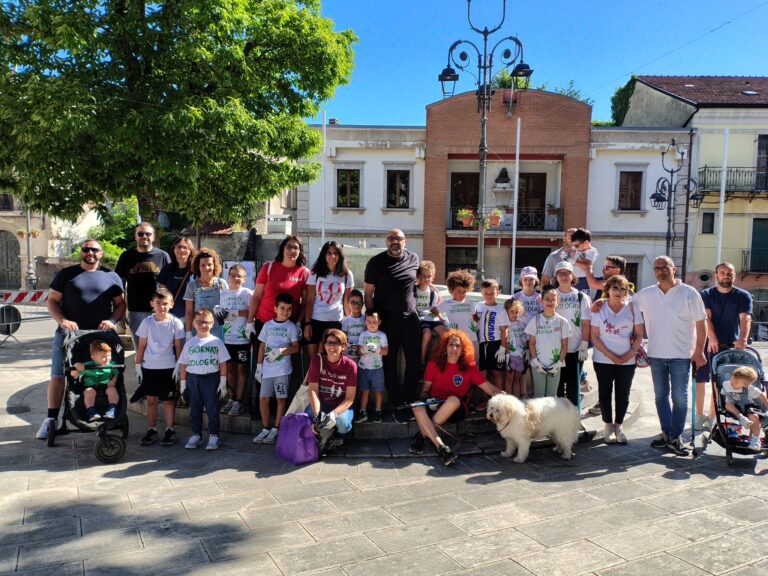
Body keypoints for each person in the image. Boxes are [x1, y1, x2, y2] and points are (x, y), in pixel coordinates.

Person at [38, 239, 125, 440]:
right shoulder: (66, 274)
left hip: (100, 337)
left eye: (94, 250)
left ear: (101, 253)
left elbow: (121, 304)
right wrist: (63, 321)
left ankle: (106, 411)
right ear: (82, 252)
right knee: (59, 375)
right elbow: (52, 300)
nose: (90, 252)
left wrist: (112, 321)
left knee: (103, 373)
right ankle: (51, 419)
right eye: (86, 249)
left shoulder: (111, 276)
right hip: (69, 335)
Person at [632, 256, 707, 456]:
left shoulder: (689, 293)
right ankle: (667, 433)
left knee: (680, 398)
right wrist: (599, 303)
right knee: (660, 397)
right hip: (655, 354)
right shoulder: (645, 294)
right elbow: (623, 302)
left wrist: (699, 351)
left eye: (665, 267)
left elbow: (701, 324)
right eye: (657, 268)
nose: (661, 271)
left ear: (674, 269)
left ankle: (676, 435)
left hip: (682, 355)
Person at [409, 330, 502, 467]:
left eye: (458, 346)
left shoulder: (469, 367)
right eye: (451, 345)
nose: (454, 348)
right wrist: (426, 399)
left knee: (452, 400)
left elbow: (490, 389)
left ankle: (422, 435)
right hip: (435, 404)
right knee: (417, 405)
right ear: (445, 347)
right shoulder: (433, 364)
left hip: (457, 407)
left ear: (463, 349)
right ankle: (442, 448)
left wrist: (505, 396)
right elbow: (425, 391)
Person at [364, 229, 420, 418]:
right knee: (389, 363)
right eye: (391, 239)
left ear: (406, 241)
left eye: (398, 239)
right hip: (387, 321)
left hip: (411, 319)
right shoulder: (375, 262)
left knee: (414, 362)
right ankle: (397, 403)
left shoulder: (414, 258)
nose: (394, 242)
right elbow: (368, 293)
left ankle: (409, 400)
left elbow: (419, 284)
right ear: (386, 241)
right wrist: (372, 319)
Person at [695, 262, 753, 430]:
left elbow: (745, 319)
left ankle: (713, 416)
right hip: (705, 344)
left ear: (734, 276)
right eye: (722, 272)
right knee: (701, 380)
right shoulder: (706, 294)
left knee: (720, 382)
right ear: (716, 275)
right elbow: (706, 317)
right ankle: (699, 415)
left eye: (729, 273)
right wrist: (712, 338)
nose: (726, 275)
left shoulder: (743, 296)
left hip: (729, 346)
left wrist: (742, 339)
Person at [590, 275, 644, 445]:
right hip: (603, 359)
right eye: (615, 288)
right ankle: (607, 426)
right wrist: (611, 355)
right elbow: (595, 336)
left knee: (623, 393)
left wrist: (631, 353)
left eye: (623, 289)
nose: (619, 292)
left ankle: (619, 426)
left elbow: (640, 333)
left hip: (627, 359)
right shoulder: (599, 308)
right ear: (608, 290)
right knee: (605, 393)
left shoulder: (632, 307)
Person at [135, 288, 184, 446]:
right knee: (151, 400)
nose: (161, 307)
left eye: (165, 304)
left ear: (171, 304)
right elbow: (141, 346)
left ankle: (170, 429)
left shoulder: (176, 322)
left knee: (169, 400)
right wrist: (138, 365)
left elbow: (178, 346)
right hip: (149, 367)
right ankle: (152, 429)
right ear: (152, 304)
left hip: (168, 367)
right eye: (158, 303)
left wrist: (178, 365)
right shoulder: (147, 322)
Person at [252, 293, 301, 445]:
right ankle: (266, 428)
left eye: (289, 309)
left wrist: (280, 351)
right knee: (263, 399)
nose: (285, 312)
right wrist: (259, 367)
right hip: (267, 370)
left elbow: (296, 348)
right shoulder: (267, 325)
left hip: (283, 370)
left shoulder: (291, 327)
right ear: (275, 308)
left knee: (281, 399)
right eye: (282, 308)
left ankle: (276, 428)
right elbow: (261, 345)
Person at [178, 308, 230, 450]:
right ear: (194, 324)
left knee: (212, 408)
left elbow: (223, 363)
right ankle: (196, 434)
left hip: (211, 379)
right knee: (195, 408)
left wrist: (223, 383)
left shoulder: (217, 342)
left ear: (212, 323)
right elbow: (184, 365)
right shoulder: (189, 343)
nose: (203, 325)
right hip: (193, 379)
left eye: (206, 322)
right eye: (199, 322)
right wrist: (183, 385)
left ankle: (214, 435)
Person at [115, 223, 171, 349]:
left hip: (158, 310)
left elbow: (169, 284)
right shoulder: (126, 256)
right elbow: (119, 285)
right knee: (140, 349)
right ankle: (141, 369)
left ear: (153, 236)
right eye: (140, 234)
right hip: (136, 311)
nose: (144, 236)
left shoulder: (163, 256)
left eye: (148, 234)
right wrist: (122, 310)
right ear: (135, 237)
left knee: (160, 348)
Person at [247, 235, 310, 344]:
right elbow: (256, 296)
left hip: (289, 327)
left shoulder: (304, 273)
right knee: (261, 359)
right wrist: (250, 322)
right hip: (264, 324)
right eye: (288, 247)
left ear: (300, 251)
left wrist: (299, 323)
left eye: (296, 248)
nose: (292, 251)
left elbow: (305, 303)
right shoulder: (268, 267)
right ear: (283, 249)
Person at [307, 329, 358, 455]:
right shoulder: (317, 360)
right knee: (308, 416)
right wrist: (319, 416)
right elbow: (313, 390)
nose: (332, 347)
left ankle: (336, 436)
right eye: (329, 343)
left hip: (341, 405)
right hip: (322, 402)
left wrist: (333, 415)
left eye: (336, 343)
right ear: (324, 345)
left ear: (343, 346)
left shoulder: (351, 365)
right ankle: (323, 436)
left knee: (343, 424)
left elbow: (350, 398)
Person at [303, 240, 353, 358]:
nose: (332, 256)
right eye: (329, 253)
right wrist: (307, 324)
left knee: (331, 360)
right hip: (315, 321)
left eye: (335, 253)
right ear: (324, 255)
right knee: (314, 361)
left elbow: (347, 301)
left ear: (340, 255)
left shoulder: (347, 275)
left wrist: (351, 323)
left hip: (335, 321)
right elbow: (309, 300)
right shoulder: (315, 274)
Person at [553, 261, 592, 407]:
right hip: (555, 349)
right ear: (556, 276)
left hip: (575, 349)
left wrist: (584, 344)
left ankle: (574, 420)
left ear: (572, 276)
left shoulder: (581, 297)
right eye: (560, 273)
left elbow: (586, 323)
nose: (564, 276)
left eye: (567, 273)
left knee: (573, 388)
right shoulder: (551, 295)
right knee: (556, 388)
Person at [219, 264, 253, 417]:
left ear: (244, 279)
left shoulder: (247, 293)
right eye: (232, 275)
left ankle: (239, 400)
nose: (235, 278)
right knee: (230, 368)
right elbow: (221, 316)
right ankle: (231, 398)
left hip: (242, 340)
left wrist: (232, 313)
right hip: (227, 338)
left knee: (242, 369)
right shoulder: (223, 294)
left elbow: (250, 312)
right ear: (228, 277)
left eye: (239, 275)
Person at [525, 287, 570, 398]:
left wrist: (559, 363)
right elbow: (531, 343)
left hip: (555, 365)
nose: (550, 302)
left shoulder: (562, 322)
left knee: (552, 396)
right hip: (538, 364)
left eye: (553, 299)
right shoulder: (535, 320)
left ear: (558, 301)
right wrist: (535, 361)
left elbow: (565, 345)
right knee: (539, 395)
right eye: (547, 299)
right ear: (541, 300)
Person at [184, 248, 228, 340]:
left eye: (209, 264)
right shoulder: (191, 286)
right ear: (198, 267)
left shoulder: (222, 284)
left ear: (214, 265)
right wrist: (188, 332)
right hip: (198, 330)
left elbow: (228, 307)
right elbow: (189, 312)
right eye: (203, 265)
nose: (206, 268)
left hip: (219, 330)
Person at [472, 278, 509, 388]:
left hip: (496, 344)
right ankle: (484, 399)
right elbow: (474, 323)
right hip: (482, 344)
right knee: (482, 373)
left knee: (497, 372)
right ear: (481, 293)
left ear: (497, 293)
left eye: (492, 293)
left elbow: (504, 330)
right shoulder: (478, 306)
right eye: (486, 293)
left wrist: (503, 348)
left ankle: (497, 398)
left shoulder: (501, 309)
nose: (489, 296)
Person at [71, 340, 119, 422]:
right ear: (93, 357)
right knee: (89, 391)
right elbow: (73, 374)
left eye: (109, 356)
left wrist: (113, 381)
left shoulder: (111, 365)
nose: (107, 359)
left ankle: (112, 409)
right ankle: (91, 411)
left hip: (106, 386)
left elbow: (116, 374)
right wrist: (76, 366)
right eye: (103, 357)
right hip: (90, 387)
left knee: (113, 390)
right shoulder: (87, 365)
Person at [722, 366, 768, 450]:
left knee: (754, 417)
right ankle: (742, 419)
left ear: (745, 385)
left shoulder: (750, 389)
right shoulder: (726, 384)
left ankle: (755, 440)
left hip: (748, 406)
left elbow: (762, 396)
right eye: (732, 378)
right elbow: (722, 394)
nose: (732, 381)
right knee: (727, 404)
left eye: (736, 382)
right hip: (734, 407)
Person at [355, 309, 389, 423]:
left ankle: (378, 411)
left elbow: (386, 351)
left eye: (374, 321)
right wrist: (363, 350)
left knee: (378, 391)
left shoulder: (382, 335)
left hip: (377, 368)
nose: (372, 324)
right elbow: (359, 351)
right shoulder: (363, 335)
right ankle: (363, 411)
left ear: (379, 322)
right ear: (365, 322)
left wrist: (378, 349)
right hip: (363, 367)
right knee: (364, 391)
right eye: (369, 321)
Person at [435, 269, 478, 352]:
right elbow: (434, 311)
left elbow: (474, 317)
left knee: (474, 363)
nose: (462, 294)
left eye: (464, 291)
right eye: (459, 290)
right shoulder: (446, 304)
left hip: (472, 338)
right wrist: (442, 320)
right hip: (456, 340)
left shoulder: (470, 303)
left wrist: (475, 326)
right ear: (451, 289)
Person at [157, 236, 196, 320]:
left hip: (192, 316)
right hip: (171, 315)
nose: (181, 250)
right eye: (178, 247)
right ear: (174, 249)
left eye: (185, 247)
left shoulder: (196, 270)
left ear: (190, 251)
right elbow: (162, 293)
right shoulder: (167, 269)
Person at [503, 299, 528, 397]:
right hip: (510, 356)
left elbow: (525, 339)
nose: (514, 314)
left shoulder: (522, 324)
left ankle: (517, 401)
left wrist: (526, 353)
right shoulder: (505, 325)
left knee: (517, 379)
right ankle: (509, 402)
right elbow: (505, 341)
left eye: (517, 312)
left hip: (521, 356)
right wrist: (507, 354)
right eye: (512, 311)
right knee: (509, 379)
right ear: (506, 312)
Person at [342, 289, 366, 363]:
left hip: (363, 355)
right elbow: (344, 339)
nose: (356, 305)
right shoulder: (345, 321)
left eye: (359, 302)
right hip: (350, 356)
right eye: (353, 302)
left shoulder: (366, 319)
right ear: (348, 303)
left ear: (363, 304)